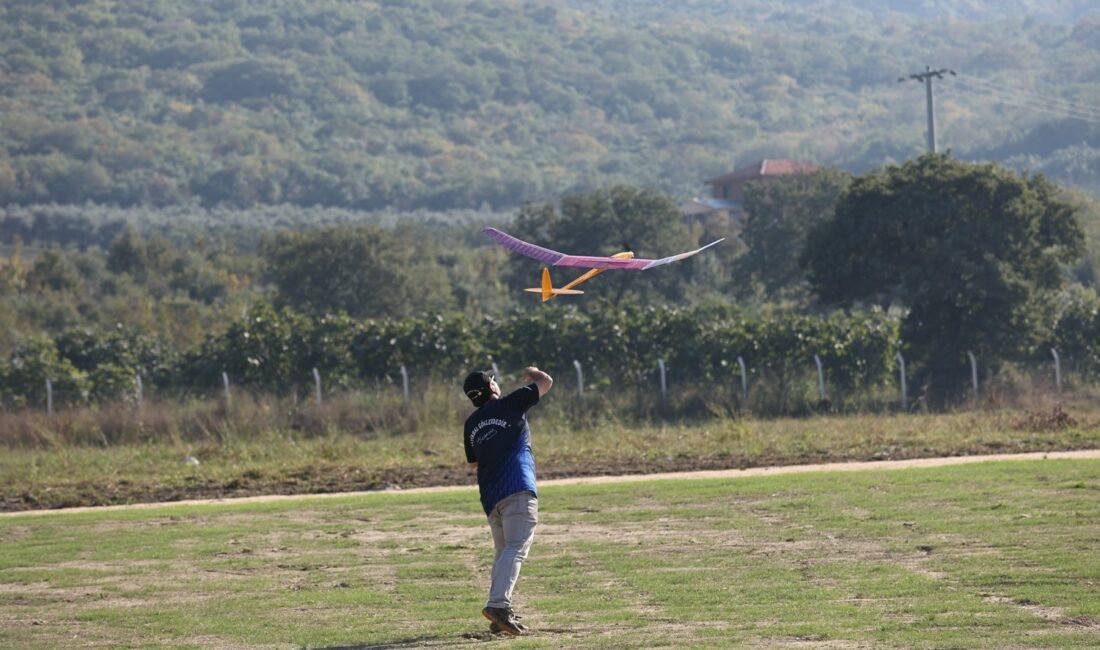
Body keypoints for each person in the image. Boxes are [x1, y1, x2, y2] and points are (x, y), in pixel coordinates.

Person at [462, 365, 553, 636]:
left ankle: (500, 613)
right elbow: (546, 382)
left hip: (491, 496)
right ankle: (498, 605)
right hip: (517, 487)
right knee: (515, 548)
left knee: (504, 552)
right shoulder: (510, 404)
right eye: (493, 380)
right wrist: (532, 372)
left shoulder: (471, 423)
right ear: (492, 388)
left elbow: (473, 462)